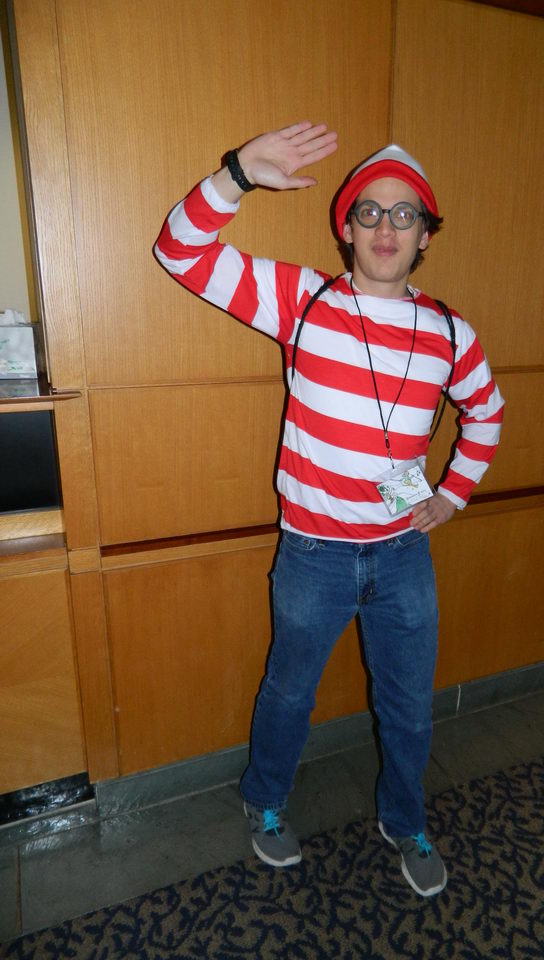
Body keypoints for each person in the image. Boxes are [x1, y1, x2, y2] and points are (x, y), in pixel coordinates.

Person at [155, 121, 504, 897]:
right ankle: (265, 801)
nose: (386, 226)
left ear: (426, 236)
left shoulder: (450, 331)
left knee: (409, 707)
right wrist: (237, 173)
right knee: (288, 694)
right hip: (314, 555)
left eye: (405, 214)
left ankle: (405, 820)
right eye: (369, 211)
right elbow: (179, 251)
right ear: (346, 228)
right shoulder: (303, 302)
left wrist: (452, 494)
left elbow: (487, 412)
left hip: (404, 556)